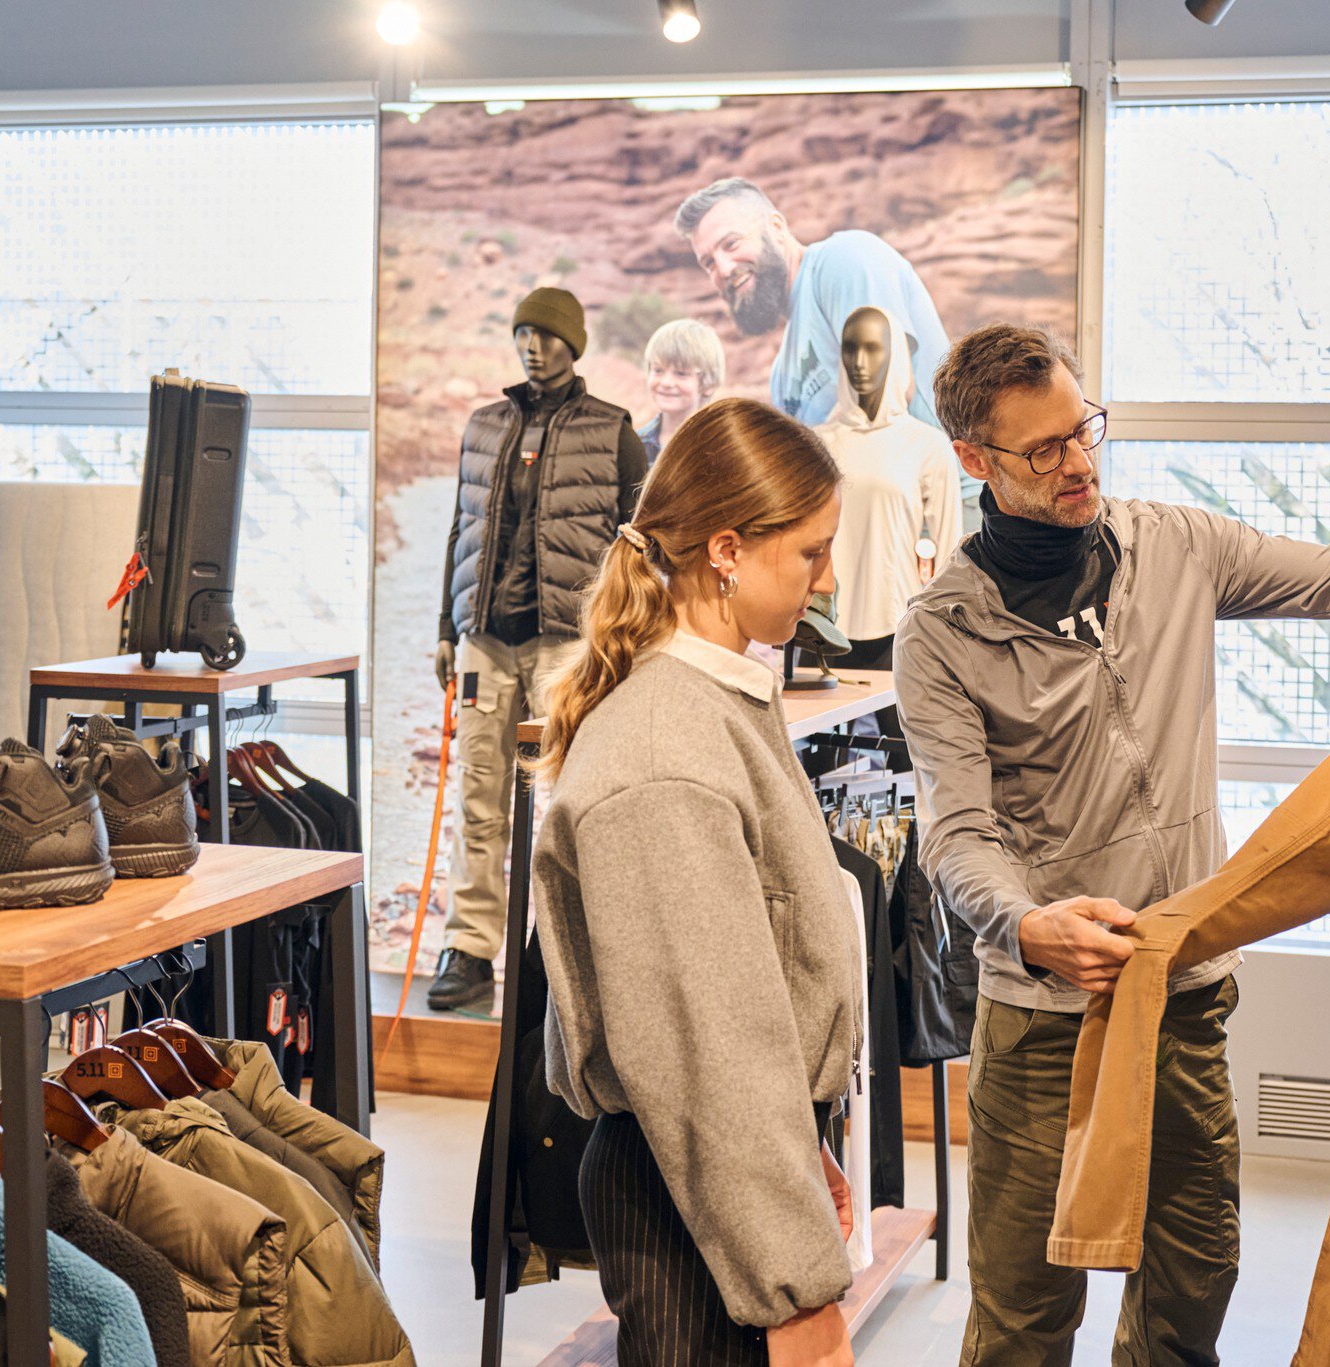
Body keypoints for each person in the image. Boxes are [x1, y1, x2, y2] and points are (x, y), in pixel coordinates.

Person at [890, 324, 1330, 1366]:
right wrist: (1025, 923)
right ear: (974, 460)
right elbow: (957, 832)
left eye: (1083, 429)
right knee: (1023, 1311)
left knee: (1193, 1276)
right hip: (1042, 1017)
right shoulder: (943, 629)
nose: (1079, 464)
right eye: (1043, 449)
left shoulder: (1172, 546)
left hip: (1184, 992)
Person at [532, 397, 862, 1367]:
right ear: (727, 548)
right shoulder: (662, 754)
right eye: (810, 551)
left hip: (725, 1178)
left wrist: (803, 1149)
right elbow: (707, 1047)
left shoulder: (710, 705)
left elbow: (755, 994)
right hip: (691, 1197)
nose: (828, 578)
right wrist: (797, 1289)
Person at [429, 286, 648, 1012]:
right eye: (523, 332)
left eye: (547, 335)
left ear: (573, 345)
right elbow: (459, 532)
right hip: (487, 639)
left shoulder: (612, 430)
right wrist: (444, 627)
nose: (533, 346)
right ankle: (468, 947)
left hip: (567, 646)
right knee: (480, 797)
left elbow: (638, 547)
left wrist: (623, 639)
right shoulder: (485, 426)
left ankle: (565, 952)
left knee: (567, 801)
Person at [673, 176, 950, 432]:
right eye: (708, 263)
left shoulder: (844, 258)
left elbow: (887, 392)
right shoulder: (781, 376)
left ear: (776, 227)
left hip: (952, 482)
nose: (722, 269)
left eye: (731, 244)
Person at [813, 305, 961, 670]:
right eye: (850, 348)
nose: (859, 362)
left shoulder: (926, 445)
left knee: (899, 729)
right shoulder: (816, 444)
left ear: (893, 354)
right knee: (816, 728)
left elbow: (948, 550)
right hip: (820, 623)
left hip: (896, 625)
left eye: (872, 348)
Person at [638, 317, 724, 462]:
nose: (666, 382)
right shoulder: (636, 444)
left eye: (681, 374)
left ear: (709, 384)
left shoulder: (717, 447)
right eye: (658, 370)